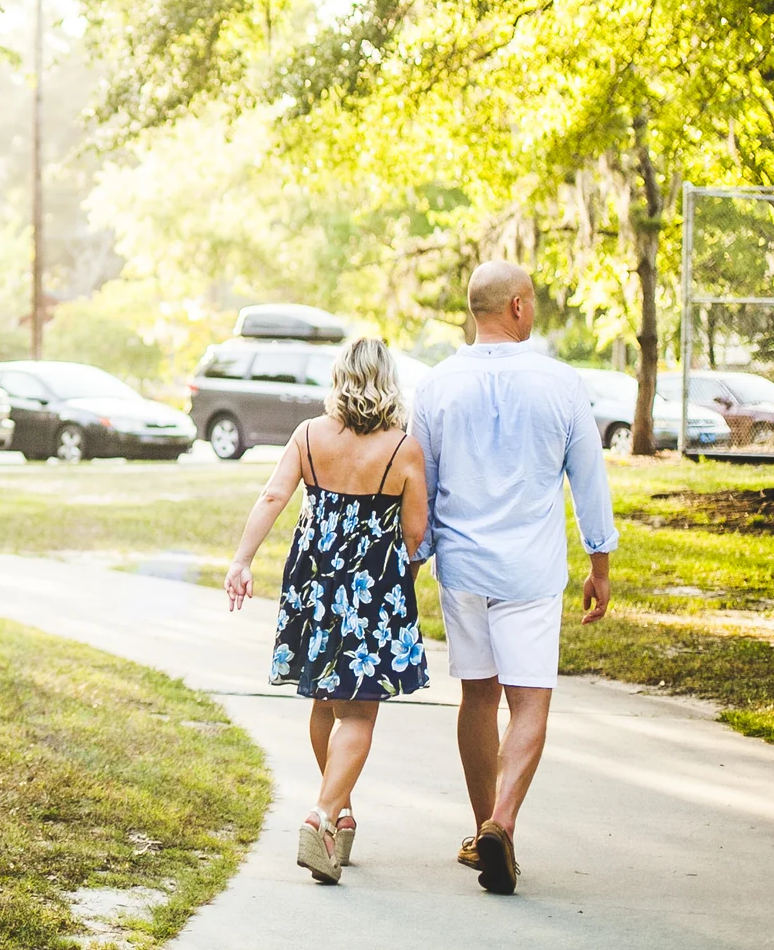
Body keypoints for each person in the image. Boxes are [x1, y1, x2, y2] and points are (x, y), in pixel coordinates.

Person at [412, 260, 617, 896]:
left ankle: (483, 831)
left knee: (478, 696)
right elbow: (589, 480)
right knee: (529, 701)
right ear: (518, 307)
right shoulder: (561, 383)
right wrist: (600, 563)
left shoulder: (436, 385)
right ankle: (501, 825)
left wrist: (413, 561)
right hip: (529, 571)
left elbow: (422, 487)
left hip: (463, 567)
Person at [225, 336, 430, 885]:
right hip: (373, 590)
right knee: (358, 713)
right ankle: (320, 815)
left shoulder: (308, 436)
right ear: (388, 383)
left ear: (339, 378)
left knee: (322, 700)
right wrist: (403, 581)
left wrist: (242, 561)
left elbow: (273, 496)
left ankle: (339, 813)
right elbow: (416, 534)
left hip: (315, 584)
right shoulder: (403, 449)